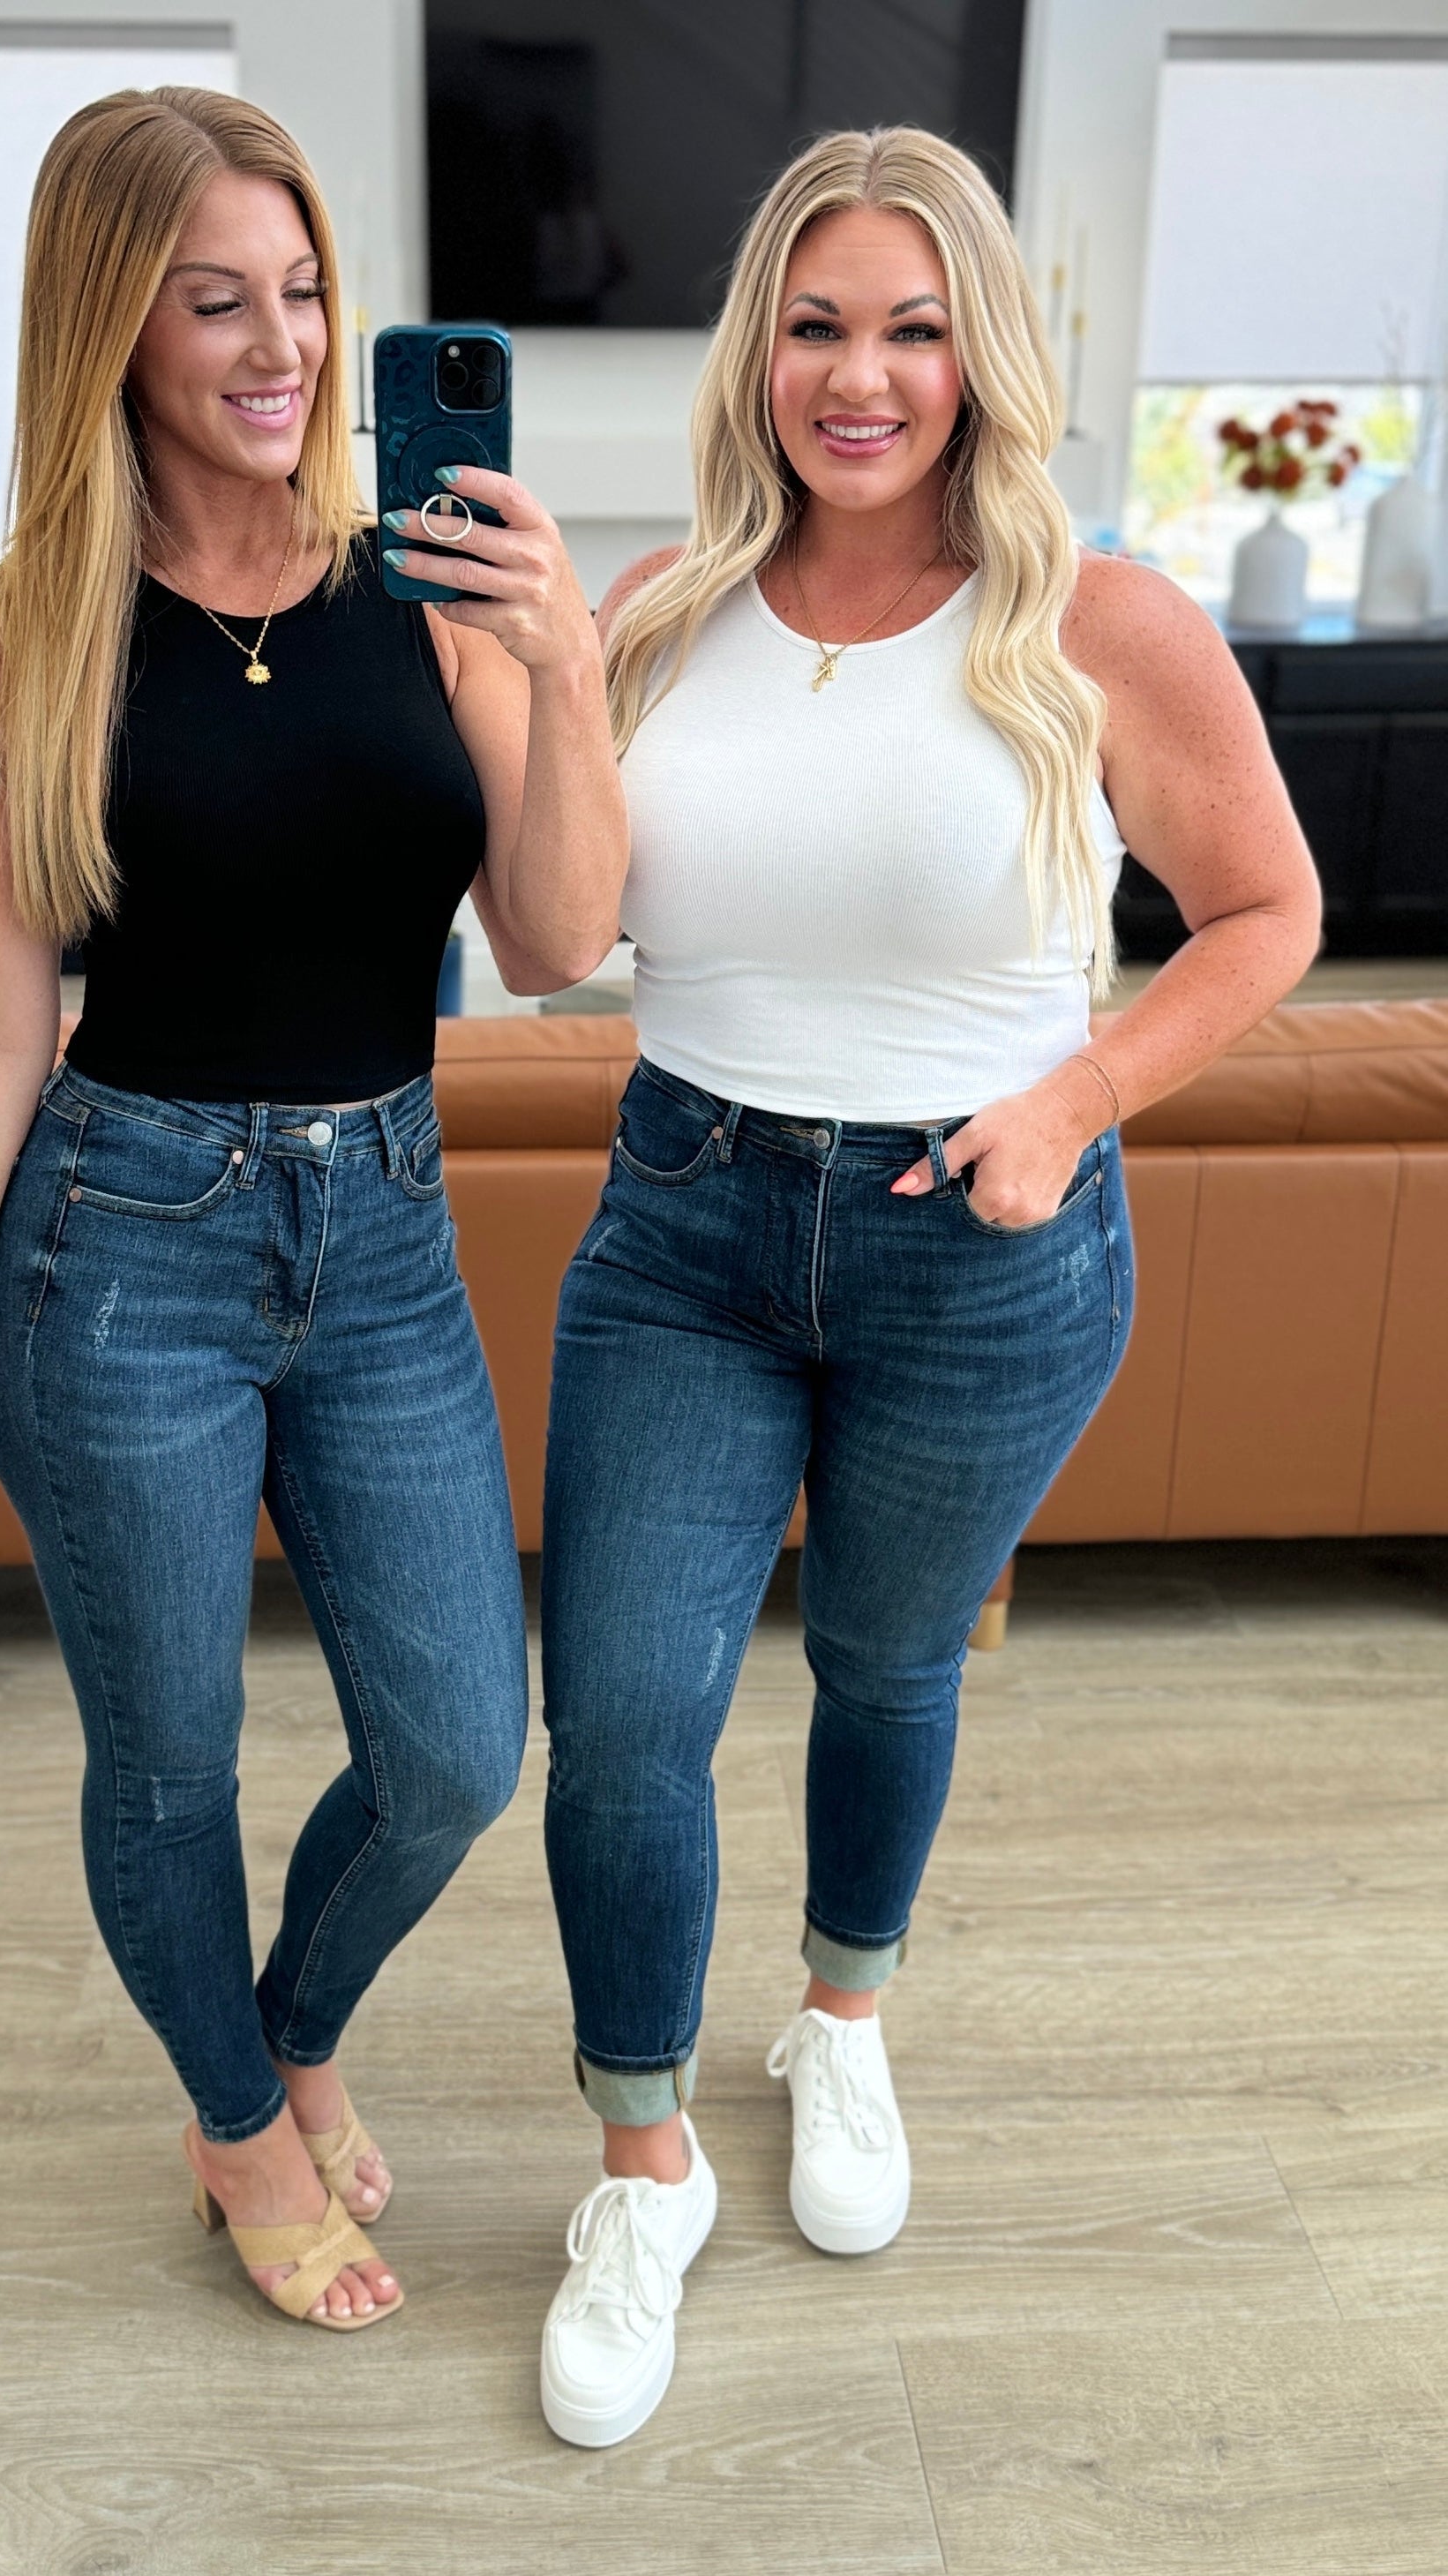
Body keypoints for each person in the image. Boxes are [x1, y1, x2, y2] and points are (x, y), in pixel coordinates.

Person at [536, 124, 1321, 2444]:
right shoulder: (655, 604)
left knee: (886, 1664)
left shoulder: (1102, 623)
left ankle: (842, 2019)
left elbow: (1264, 914)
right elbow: (556, 942)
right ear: (754, 349)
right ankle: (642, 2161)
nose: (857, 377)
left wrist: (1077, 1096)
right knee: (623, 1720)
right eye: (813, 324)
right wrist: (529, 668)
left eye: (909, 327)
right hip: (682, 1227)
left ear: (980, 355)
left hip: (982, 1239)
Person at [0, 86, 622, 2333]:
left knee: (456, 1746)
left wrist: (566, 660)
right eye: (215, 301)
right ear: (109, 323)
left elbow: (558, 938)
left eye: (302, 291)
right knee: (167, 1755)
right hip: (115, 1248)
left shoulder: (434, 589)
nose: (281, 346)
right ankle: (230, 2118)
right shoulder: (18, 636)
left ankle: (281, 2026)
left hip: (381, 1229)